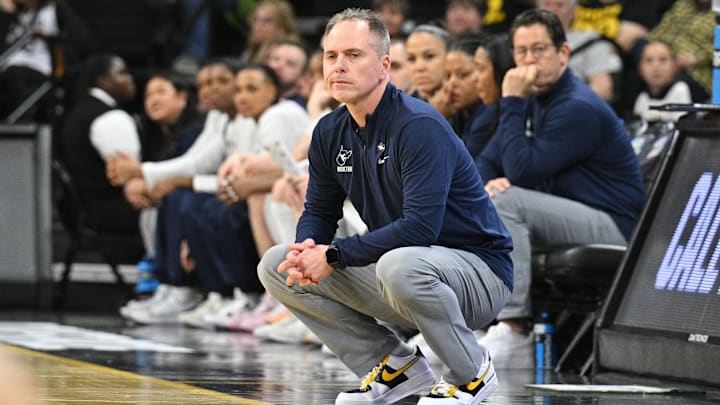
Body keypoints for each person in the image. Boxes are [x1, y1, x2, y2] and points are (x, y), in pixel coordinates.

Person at [257, 8, 513, 405]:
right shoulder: (329, 130)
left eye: (353, 55)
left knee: (400, 264)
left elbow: (420, 229)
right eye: (331, 56)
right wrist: (308, 246)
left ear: (385, 65)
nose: (338, 66)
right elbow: (321, 210)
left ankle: (471, 375)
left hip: (477, 274)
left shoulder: (417, 125)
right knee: (278, 265)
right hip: (406, 271)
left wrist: (336, 254)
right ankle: (395, 368)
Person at [474, 9, 644, 367]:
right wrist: (490, 181)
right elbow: (485, 164)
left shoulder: (577, 107)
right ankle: (470, 323)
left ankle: (514, 326)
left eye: (539, 50)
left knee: (506, 200)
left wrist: (513, 101)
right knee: (486, 198)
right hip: (564, 214)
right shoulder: (534, 99)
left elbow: (521, 172)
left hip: (614, 226)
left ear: (563, 54)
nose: (528, 61)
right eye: (521, 52)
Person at [58, 53, 143, 245]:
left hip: (84, 209)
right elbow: (131, 177)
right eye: (122, 73)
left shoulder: (77, 112)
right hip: (110, 210)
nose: (131, 79)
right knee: (174, 207)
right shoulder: (111, 118)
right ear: (103, 80)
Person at [538, 0, 622, 102]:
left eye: (560, 5)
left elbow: (602, 90)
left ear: (573, 11)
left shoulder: (592, 42)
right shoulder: (522, 42)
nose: (552, 10)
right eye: (547, 4)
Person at [633, 40, 692, 123]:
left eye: (663, 60)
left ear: (675, 65)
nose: (656, 66)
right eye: (649, 60)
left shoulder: (680, 90)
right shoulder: (642, 98)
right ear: (639, 68)